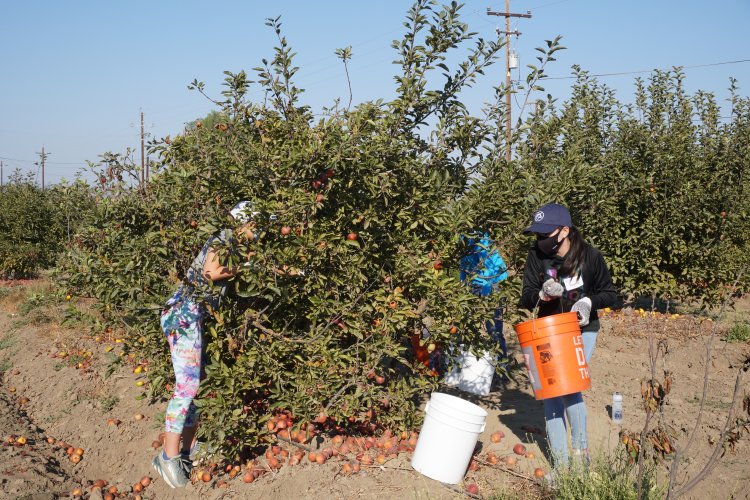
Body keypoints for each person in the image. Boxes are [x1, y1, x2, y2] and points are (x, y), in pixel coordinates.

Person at [152, 200, 259, 488]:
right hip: (183, 313)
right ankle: (168, 456)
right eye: (257, 224)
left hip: (191, 315)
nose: (260, 230)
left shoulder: (235, 244)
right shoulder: (224, 237)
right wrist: (245, 266)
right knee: (186, 385)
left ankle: (187, 448)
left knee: (197, 384)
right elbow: (212, 271)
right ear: (244, 222)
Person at [519, 203, 617, 469]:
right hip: (548, 332)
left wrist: (588, 302)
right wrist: (539, 294)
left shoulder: (590, 257)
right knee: (551, 393)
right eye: (537, 236)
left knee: (570, 387)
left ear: (564, 231)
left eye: (545, 235)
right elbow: (525, 296)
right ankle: (561, 466)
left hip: (580, 331)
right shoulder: (537, 257)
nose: (540, 241)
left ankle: (580, 455)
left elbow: (611, 294)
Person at [459, 231, 509, 365]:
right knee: (469, 327)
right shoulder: (461, 235)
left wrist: (487, 292)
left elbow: (488, 264)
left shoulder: (477, 235)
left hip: (491, 282)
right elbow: (464, 263)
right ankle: (477, 365)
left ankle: (502, 366)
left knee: (493, 329)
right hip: (476, 283)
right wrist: (463, 285)